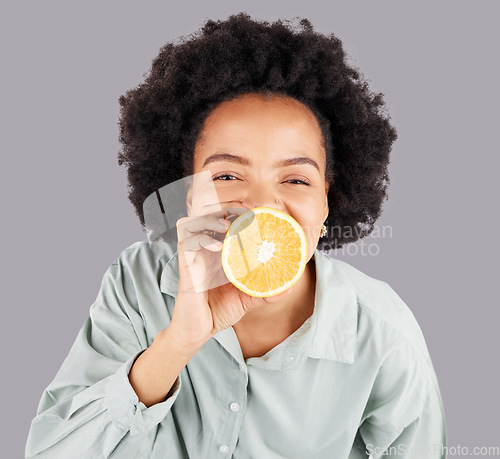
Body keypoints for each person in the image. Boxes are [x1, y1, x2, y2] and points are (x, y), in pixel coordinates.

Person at [26, 13, 446, 458]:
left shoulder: (382, 331)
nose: (262, 205)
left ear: (328, 200)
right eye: (227, 175)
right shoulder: (136, 283)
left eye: (296, 180)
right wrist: (177, 342)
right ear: (188, 195)